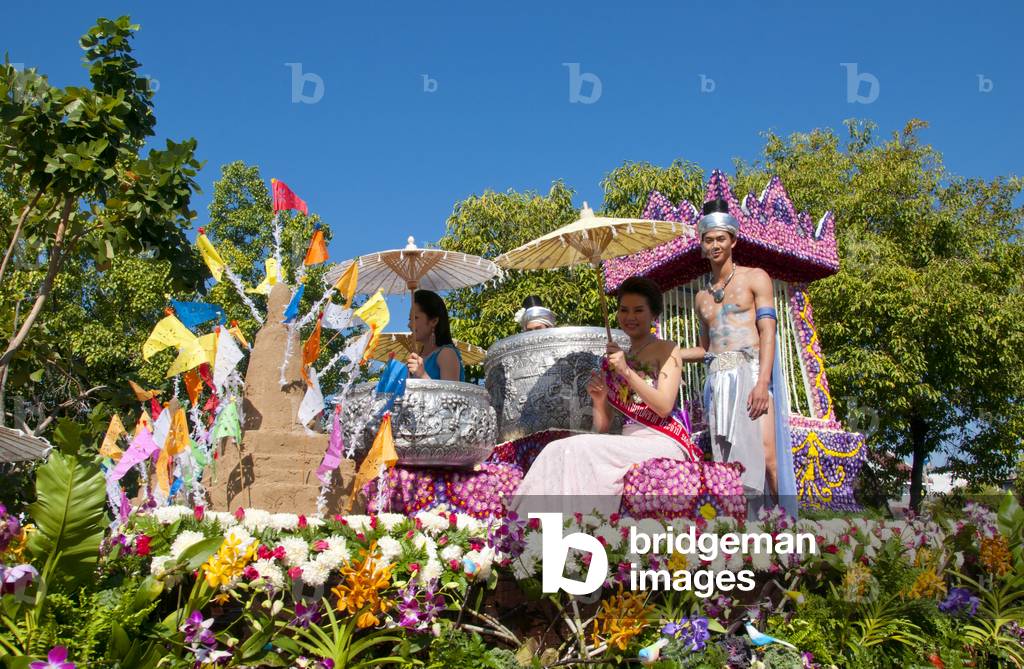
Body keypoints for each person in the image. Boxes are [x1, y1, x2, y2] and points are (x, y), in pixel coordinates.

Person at [512, 277, 701, 519]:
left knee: (578, 448)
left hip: (662, 440)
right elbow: (602, 428)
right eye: (624, 310)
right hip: (626, 443)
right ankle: (525, 530)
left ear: (653, 314)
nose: (630, 316)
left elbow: (664, 406)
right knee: (555, 449)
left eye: (638, 310)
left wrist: (626, 371)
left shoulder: (667, 349)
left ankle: (582, 526)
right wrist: (600, 400)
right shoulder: (613, 360)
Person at [679, 198, 797, 516]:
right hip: (717, 379)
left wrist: (762, 383)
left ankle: (786, 528)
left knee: (768, 457)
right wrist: (666, 352)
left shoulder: (756, 277)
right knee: (729, 465)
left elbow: (768, 332)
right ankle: (742, 532)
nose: (715, 245)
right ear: (701, 245)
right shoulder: (701, 298)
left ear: (733, 239)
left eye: (720, 238)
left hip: (752, 371)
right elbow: (706, 349)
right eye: (708, 240)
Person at [405, 290, 465, 382]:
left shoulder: (447, 354)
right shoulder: (417, 358)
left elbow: (450, 395)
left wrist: (422, 375)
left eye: (415, 318)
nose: (409, 325)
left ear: (434, 321)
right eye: (410, 319)